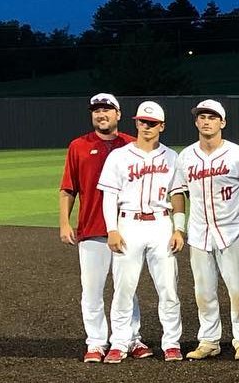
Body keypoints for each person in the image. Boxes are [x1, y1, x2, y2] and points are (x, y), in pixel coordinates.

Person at [95, 101, 186, 363]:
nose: (147, 127)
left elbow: (177, 194)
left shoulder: (172, 157)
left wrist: (179, 229)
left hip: (161, 224)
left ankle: (171, 342)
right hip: (129, 224)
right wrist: (112, 229)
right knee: (124, 288)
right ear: (136, 123)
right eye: (143, 122)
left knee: (168, 288)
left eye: (152, 123)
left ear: (162, 126)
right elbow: (109, 196)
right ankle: (120, 341)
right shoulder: (119, 156)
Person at [176, 99, 239, 361]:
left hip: (231, 230)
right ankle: (209, 340)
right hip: (200, 232)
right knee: (203, 291)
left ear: (222, 122)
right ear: (196, 121)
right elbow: (179, 191)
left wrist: (232, 211)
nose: (206, 121)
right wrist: (180, 228)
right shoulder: (186, 156)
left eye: (212, 117)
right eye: (201, 116)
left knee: (237, 289)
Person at [60, 93, 142, 362]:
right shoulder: (79, 146)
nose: (101, 114)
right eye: (96, 110)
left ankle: (131, 339)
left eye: (107, 109)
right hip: (92, 227)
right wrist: (64, 222)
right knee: (92, 289)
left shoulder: (133, 145)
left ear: (118, 114)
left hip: (128, 228)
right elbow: (68, 187)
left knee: (127, 288)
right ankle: (96, 341)